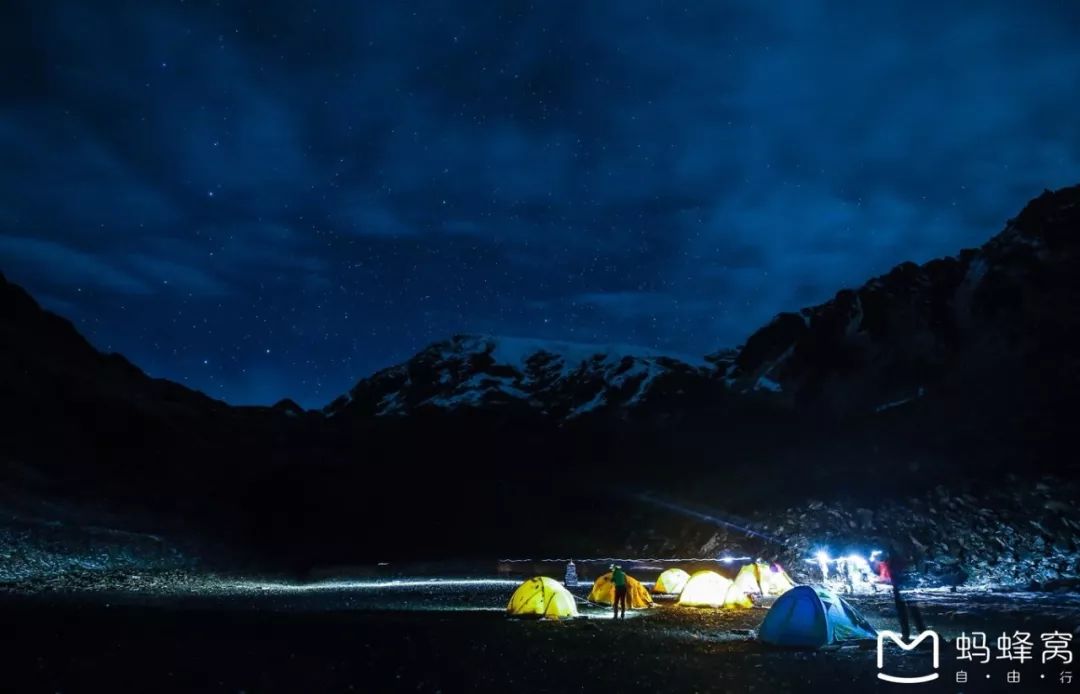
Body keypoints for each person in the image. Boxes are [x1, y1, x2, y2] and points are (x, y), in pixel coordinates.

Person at [886, 545, 926, 640]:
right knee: (909, 609)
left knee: (906, 609)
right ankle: (918, 632)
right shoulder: (900, 554)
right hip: (902, 583)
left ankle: (910, 633)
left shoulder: (897, 555)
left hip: (902, 583)